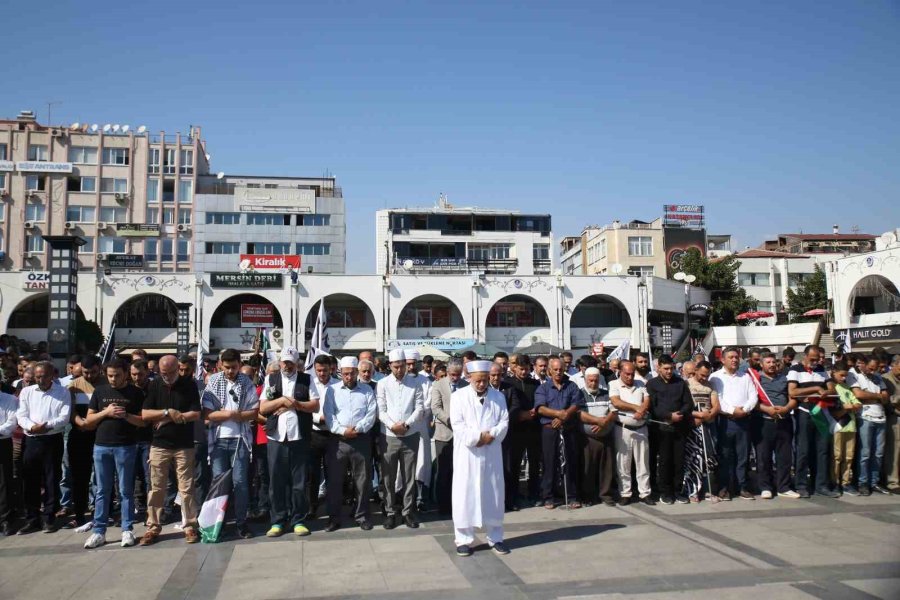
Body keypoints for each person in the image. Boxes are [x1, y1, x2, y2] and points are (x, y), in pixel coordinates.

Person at [82, 359, 145, 549]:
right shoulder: (100, 391)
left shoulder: (135, 393)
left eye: (117, 375)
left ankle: (127, 529)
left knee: (126, 491)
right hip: (101, 446)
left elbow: (143, 421)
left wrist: (126, 415)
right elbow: (89, 420)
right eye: (110, 375)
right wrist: (106, 413)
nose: (113, 379)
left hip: (126, 446)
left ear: (126, 373)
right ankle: (99, 531)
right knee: (102, 490)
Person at [140, 355, 202, 545]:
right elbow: (145, 414)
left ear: (179, 368)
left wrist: (169, 418)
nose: (166, 376)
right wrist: (167, 412)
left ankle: (190, 525)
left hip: (184, 443)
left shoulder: (188, 385)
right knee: (156, 487)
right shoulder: (154, 385)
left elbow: (196, 414)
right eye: (163, 373)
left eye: (170, 373)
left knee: (186, 488)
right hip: (159, 444)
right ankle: (153, 526)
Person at [450, 360, 510, 557]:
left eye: (485, 381)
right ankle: (463, 539)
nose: (482, 384)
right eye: (478, 381)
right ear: (469, 379)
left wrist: (490, 435)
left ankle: (496, 537)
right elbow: (457, 425)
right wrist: (477, 437)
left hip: (491, 452)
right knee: (465, 496)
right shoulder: (458, 397)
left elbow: (504, 421)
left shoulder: (498, 396)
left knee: (493, 494)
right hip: (468, 454)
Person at [259, 347, 319, 537]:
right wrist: (283, 401)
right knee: (276, 481)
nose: (287, 365)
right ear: (280, 362)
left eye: (290, 362)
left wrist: (297, 405)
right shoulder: (271, 379)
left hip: (299, 437)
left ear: (296, 363)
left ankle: (298, 520)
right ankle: (277, 520)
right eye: (284, 362)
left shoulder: (307, 380)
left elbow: (315, 405)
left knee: (299, 482)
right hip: (276, 437)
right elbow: (263, 407)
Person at [202, 349, 260, 539]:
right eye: (226, 368)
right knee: (220, 483)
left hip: (240, 440)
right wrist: (230, 414)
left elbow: (253, 411)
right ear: (220, 365)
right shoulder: (214, 382)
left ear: (238, 364)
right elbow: (208, 414)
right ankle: (220, 522)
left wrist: (234, 415)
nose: (230, 371)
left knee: (241, 482)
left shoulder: (246, 383)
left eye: (233, 367)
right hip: (218, 440)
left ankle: (242, 522)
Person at [323, 357, 377, 532]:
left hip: (361, 440)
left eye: (351, 373)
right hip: (338, 441)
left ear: (356, 372)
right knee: (335, 481)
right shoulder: (332, 390)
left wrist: (358, 429)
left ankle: (362, 516)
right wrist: (342, 431)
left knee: (362, 481)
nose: (348, 376)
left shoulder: (367, 390)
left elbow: (371, 414)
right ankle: (334, 518)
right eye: (345, 373)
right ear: (341, 373)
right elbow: (329, 415)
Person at [16, 361, 70, 534]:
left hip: (51, 439)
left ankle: (49, 517)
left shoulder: (62, 392)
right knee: (30, 479)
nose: (40, 379)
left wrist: (46, 425)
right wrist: (32, 427)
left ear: (52, 375)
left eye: (43, 376)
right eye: (37, 376)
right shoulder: (27, 392)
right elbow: (21, 415)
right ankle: (32, 518)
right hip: (31, 439)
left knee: (51, 479)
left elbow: (64, 417)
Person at [376, 349, 424, 529]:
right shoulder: (382, 384)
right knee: (388, 476)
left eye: (402, 366)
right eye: (396, 366)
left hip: (410, 435)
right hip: (388, 436)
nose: (399, 370)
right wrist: (392, 425)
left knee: (409, 476)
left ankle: (407, 512)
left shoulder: (415, 383)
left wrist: (407, 425)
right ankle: (390, 512)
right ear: (390, 366)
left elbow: (419, 408)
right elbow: (381, 409)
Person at [787, 345, 838, 498]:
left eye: (818, 359)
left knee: (822, 450)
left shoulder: (822, 369)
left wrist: (825, 392)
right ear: (805, 356)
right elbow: (793, 391)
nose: (815, 362)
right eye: (812, 359)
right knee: (803, 450)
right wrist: (816, 388)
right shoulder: (795, 369)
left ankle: (821, 485)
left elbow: (831, 389)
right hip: (804, 412)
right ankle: (801, 485)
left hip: (821, 412)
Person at [535, 357, 585, 509]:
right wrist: (557, 414)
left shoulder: (571, 385)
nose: (558, 372)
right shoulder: (543, 388)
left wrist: (564, 417)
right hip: (549, 430)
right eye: (555, 369)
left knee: (570, 462)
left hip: (568, 429)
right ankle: (548, 497)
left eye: (560, 369)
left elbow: (577, 404)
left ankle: (572, 496)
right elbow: (540, 408)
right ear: (549, 370)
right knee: (549, 463)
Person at [711, 347, 758, 501]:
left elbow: (753, 396)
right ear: (722, 360)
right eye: (731, 357)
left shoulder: (745, 377)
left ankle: (742, 487)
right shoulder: (715, 377)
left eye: (736, 357)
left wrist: (745, 409)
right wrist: (733, 411)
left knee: (743, 456)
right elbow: (717, 399)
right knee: (724, 455)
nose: (734, 360)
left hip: (744, 420)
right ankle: (724, 488)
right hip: (725, 421)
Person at [647, 355, 694, 504]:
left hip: (679, 428)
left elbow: (688, 403)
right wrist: (668, 416)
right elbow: (652, 407)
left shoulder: (680, 383)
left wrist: (679, 414)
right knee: (665, 461)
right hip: (662, 429)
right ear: (659, 367)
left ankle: (678, 490)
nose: (668, 371)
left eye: (671, 368)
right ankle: (665, 492)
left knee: (678, 461)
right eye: (665, 368)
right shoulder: (652, 384)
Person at [64, 355, 104, 529]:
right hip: (79, 434)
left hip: (101, 435)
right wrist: (81, 423)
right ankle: (79, 513)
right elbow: (70, 411)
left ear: (99, 368)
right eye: (86, 373)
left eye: (93, 372)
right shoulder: (73, 386)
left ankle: (104, 512)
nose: (89, 376)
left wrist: (91, 424)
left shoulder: (107, 384)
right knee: (79, 476)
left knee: (103, 476)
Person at [752, 353, 799, 499]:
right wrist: (767, 409)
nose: (772, 365)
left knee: (784, 456)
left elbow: (793, 398)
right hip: (764, 421)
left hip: (784, 420)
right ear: (761, 364)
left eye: (774, 362)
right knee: (763, 457)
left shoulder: (784, 379)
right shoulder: (756, 380)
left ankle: (783, 486)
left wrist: (786, 409)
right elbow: (752, 400)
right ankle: (765, 486)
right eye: (768, 362)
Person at [609, 361, 654, 505]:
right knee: (623, 463)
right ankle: (625, 493)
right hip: (623, 429)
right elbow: (616, 402)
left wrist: (642, 409)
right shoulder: (614, 384)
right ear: (620, 372)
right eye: (626, 374)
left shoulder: (640, 383)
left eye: (632, 374)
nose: (629, 377)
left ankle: (644, 493)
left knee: (643, 463)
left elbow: (647, 399)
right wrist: (636, 408)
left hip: (641, 428)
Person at [850, 356, 890, 496]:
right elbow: (859, 394)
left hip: (881, 418)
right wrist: (877, 396)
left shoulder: (879, 378)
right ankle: (863, 482)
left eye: (875, 369)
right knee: (865, 453)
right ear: (865, 365)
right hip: (865, 417)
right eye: (870, 368)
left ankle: (874, 482)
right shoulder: (856, 376)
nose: (873, 372)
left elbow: (885, 397)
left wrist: (874, 397)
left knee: (878, 453)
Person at [431, 358, 467, 515]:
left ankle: (458, 504)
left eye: (458, 375)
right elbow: (435, 407)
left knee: (459, 471)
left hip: (462, 435)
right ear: (447, 372)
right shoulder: (438, 385)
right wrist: (449, 420)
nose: (455, 378)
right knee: (443, 471)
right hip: (444, 433)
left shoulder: (466, 385)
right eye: (453, 374)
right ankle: (443, 505)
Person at [505, 356, 542, 508]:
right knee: (514, 464)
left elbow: (540, 400)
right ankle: (514, 495)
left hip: (533, 428)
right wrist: (519, 415)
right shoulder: (508, 384)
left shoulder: (535, 383)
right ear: (514, 368)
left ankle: (533, 493)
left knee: (534, 464)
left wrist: (536, 410)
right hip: (516, 429)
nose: (524, 372)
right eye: (521, 369)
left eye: (526, 369)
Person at [578, 367, 617, 507]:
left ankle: (605, 494)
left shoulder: (606, 394)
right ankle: (588, 496)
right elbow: (580, 414)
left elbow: (613, 412)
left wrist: (604, 423)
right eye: (590, 380)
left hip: (606, 436)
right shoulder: (580, 394)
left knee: (607, 468)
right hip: (588, 439)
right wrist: (598, 421)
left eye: (596, 380)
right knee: (588, 468)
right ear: (585, 380)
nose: (593, 383)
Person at [683, 361, 720, 502]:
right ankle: (692, 491)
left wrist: (708, 415)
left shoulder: (710, 385)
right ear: (696, 370)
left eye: (707, 375)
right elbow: (684, 406)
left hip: (708, 424)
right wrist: (696, 415)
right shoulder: (686, 384)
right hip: (693, 425)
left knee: (709, 457)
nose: (704, 378)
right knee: (694, 458)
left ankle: (709, 490)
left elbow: (716, 405)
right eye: (702, 375)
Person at [309, 354, 337, 518]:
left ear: (331, 369)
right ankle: (312, 507)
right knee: (312, 474)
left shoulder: (338, 385)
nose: (322, 374)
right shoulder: (310, 384)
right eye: (319, 370)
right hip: (314, 433)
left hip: (333, 434)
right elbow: (306, 407)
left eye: (325, 370)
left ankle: (332, 509)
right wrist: (318, 418)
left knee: (332, 474)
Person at [404, 349, 433, 512]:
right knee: (406, 465)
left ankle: (421, 497)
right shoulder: (401, 381)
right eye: (408, 364)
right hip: (405, 429)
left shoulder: (426, 381)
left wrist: (418, 415)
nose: (411, 367)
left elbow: (427, 404)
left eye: (413, 363)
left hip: (421, 427)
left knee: (422, 462)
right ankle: (405, 497)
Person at [830, 361, 862, 496]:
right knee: (837, 456)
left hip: (851, 426)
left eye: (846, 376)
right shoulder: (832, 388)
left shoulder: (847, 388)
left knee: (849, 456)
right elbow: (836, 410)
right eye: (841, 375)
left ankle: (845, 482)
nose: (843, 378)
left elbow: (857, 404)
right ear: (833, 373)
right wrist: (847, 408)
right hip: (838, 426)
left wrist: (850, 406)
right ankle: (835, 481)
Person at [130, 359, 154, 516]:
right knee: (133, 476)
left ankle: (152, 508)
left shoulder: (154, 388)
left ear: (147, 372)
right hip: (130, 438)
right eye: (133, 374)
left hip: (149, 438)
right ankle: (139, 507)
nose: (137, 378)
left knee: (149, 476)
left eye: (140, 374)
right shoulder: (127, 389)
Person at [0, 385, 17, 536]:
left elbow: (12, 422)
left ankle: (5, 519)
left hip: (2, 441)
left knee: (4, 481)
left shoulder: (9, 399)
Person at [883, 356, 900, 493]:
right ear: (894, 365)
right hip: (893, 418)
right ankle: (892, 481)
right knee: (894, 450)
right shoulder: (886, 379)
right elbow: (888, 400)